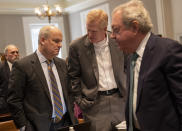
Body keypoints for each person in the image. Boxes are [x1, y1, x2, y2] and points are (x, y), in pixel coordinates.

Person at [111, 0, 182, 131]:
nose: (112, 36)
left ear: (135, 27)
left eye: (116, 30)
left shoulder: (167, 50)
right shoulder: (130, 57)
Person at [7, 25, 76, 131]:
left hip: (65, 123)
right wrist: (24, 126)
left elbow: (69, 92)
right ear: (43, 40)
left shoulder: (62, 64)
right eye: (56, 41)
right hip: (37, 126)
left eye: (61, 41)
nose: (60, 45)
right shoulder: (23, 65)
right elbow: (14, 100)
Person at [68, 9, 126, 131]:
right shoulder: (76, 47)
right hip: (94, 105)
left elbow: (128, 68)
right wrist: (80, 101)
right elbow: (73, 77)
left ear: (105, 29)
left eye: (93, 31)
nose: (89, 34)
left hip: (120, 101)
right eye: (87, 29)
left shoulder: (118, 41)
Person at [0, 44, 19, 114]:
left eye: (17, 52)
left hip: (20, 107)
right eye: (12, 52)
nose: (16, 54)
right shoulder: (1, 67)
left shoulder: (22, 67)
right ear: (6, 56)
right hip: (4, 107)